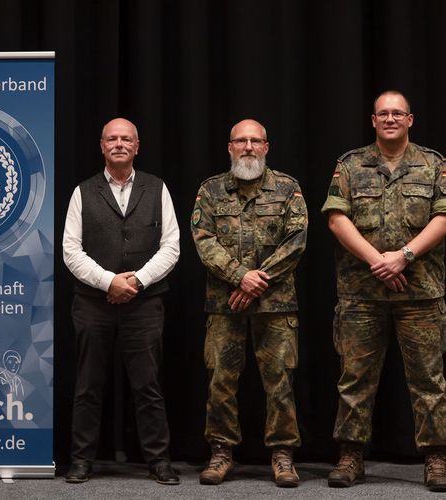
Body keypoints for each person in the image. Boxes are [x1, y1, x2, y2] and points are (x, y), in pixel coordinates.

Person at [322, 90, 446, 492]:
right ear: (373, 121)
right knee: (355, 377)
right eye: (383, 114)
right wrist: (380, 260)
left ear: (410, 120)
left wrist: (404, 256)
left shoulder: (434, 164)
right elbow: (337, 219)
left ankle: (437, 458)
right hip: (362, 294)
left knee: (429, 379)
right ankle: (351, 456)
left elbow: (444, 216)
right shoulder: (350, 164)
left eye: (398, 113)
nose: (390, 118)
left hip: (421, 293)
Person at [62, 118, 180, 485]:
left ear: (137, 146)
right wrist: (109, 281)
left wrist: (138, 281)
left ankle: (158, 461)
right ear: (101, 146)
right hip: (92, 304)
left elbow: (172, 246)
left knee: (147, 386)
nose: (118, 144)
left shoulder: (157, 188)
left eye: (125, 139)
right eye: (111, 139)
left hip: (144, 305)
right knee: (88, 385)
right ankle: (81, 460)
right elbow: (70, 249)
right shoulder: (83, 191)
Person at [191, 119, 307, 487]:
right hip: (226, 305)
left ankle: (283, 454)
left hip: (276, 306)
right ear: (229, 147)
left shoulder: (288, 188)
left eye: (255, 141)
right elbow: (203, 239)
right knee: (221, 381)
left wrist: (256, 282)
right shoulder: (210, 191)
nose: (248, 147)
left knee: (280, 382)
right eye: (241, 140)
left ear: (266, 148)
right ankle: (221, 451)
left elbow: (296, 241)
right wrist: (239, 275)